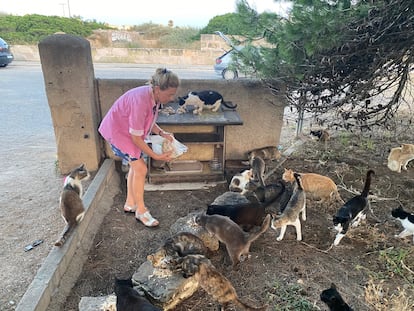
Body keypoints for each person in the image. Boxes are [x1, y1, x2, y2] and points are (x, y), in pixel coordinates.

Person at [98, 68, 179, 227]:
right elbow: (135, 137)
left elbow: (148, 120)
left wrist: (162, 133)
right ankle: (141, 211)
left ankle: (130, 203)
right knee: (141, 168)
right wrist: (156, 156)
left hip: (125, 131)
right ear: (157, 89)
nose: (172, 98)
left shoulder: (153, 97)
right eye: (169, 94)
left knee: (135, 168)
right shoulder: (141, 100)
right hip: (118, 133)